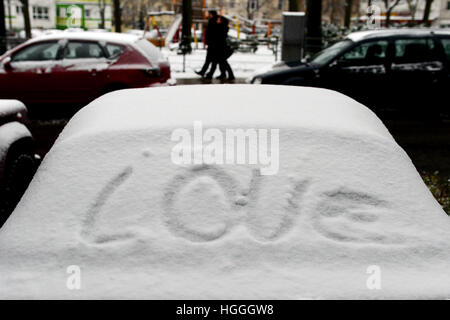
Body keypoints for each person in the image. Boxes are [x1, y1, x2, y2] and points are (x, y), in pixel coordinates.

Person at [205, 15, 234, 81]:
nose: (217, 20)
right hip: (218, 47)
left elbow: (218, 38)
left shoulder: (221, 27)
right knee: (219, 62)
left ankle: (230, 75)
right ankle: (214, 74)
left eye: (218, 20)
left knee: (222, 62)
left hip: (220, 48)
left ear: (221, 21)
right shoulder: (221, 27)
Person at [195, 11, 218, 78]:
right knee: (211, 60)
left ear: (212, 15)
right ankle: (204, 72)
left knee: (212, 60)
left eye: (210, 14)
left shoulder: (213, 21)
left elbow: (211, 33)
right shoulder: (213, 21)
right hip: (212, 44)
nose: (209, 15)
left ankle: (207, 73)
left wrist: (209, 41)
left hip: (213, 45)